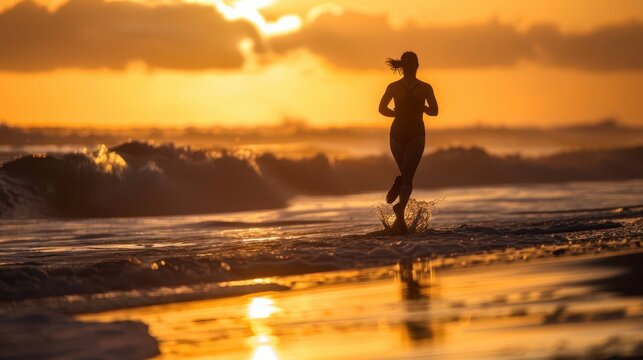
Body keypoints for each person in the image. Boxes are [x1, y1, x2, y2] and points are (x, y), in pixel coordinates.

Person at [379, 51, 438, 233]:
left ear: (402, 67)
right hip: (416, 133)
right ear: (417, 65)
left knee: (406, 174)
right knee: (408, 177)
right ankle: (400, 209)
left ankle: (400, 216)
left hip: (396, 132)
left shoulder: (393, 87)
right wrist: (420, 107)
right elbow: (434, 112)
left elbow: (382, 109)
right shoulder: (425, 87)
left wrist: (396, 113)